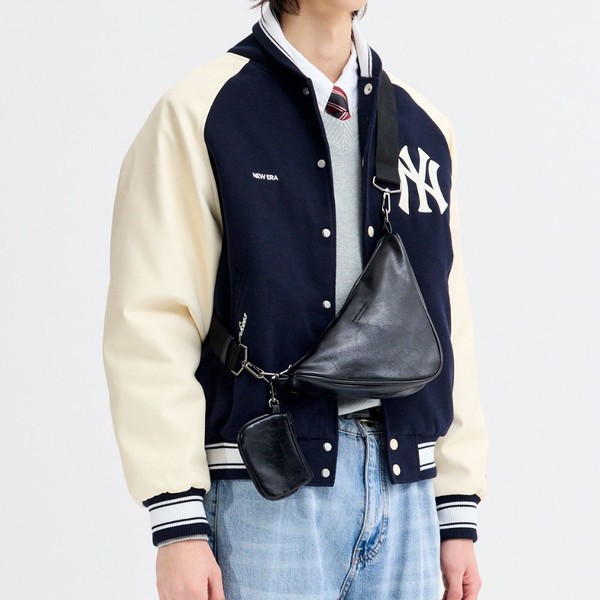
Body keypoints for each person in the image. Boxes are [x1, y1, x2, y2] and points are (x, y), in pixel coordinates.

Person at [102, 1, 488, 598]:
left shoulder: (424, 125)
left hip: (407, 489)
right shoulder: (204, 110)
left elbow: (446, 317)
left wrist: (454, 506)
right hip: (265, 488)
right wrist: (177, 519)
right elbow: (153, 317)